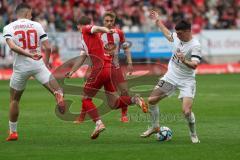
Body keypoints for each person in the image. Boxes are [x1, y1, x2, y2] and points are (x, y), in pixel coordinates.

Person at [65, 16, 148, 140]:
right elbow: (82, 57)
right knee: (113, 103)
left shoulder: (85, 30)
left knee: (86, 99)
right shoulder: (88, 39)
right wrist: (72, 71)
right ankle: (134, 100)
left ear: (78, 26)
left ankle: (99, 124)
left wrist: (105, 29)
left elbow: (94, 28)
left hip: (99, 69)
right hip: (109, 69)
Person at [3, 3, 65, 141]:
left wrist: (27, 54)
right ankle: (58, 94)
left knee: (14, 100)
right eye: (31, 13)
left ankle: (13, 133)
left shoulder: (8, 27)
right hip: (38, 63)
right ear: (26, 13)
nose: (31, 16)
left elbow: (12, 46)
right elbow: (48, 47)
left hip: (20, 68)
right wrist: (46, 62)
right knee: (57, 88)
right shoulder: (36, 25)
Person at [140, 10, 201, 143]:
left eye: (179, 33)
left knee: (186, 111)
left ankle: (193, 133)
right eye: (176, 33)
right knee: (151, 100)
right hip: (171, 77)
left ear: (187, 31)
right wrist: (157, 20)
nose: (177, 36)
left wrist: (184, 60)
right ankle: (155, 126)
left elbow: (195, 65)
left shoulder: (195, 46)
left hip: (186, 81)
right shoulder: (177, 38)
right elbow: (166, 32)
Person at [100, 11, 133, 122]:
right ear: (103, 21)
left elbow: (126, 48)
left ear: (114, 21)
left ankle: (124, 115)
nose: (109, 23)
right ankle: (82, 115)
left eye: (111, 21)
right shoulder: (98, 34)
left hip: (116, 67)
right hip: (103, 69)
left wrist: (129, 63)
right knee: (89, 92)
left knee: (124, 92)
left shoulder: (119, 33)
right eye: (107, 21)